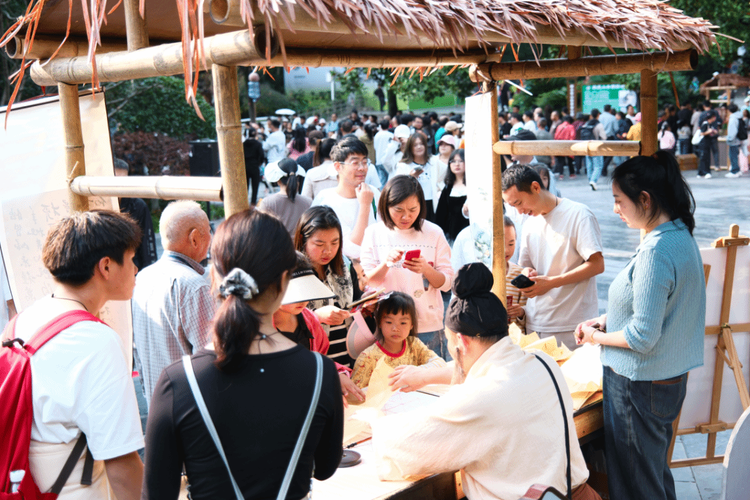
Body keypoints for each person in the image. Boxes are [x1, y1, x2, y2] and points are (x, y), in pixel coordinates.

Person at [142, 210, 344, 499]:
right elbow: (324, 467)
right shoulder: (321, 372)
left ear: (214, 277)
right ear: (286, 281)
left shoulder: (178, 382)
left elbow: (157, 492)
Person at [370, 264, 599, 500]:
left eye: (451, 347)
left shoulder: (480, 397)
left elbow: (401, 447)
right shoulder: (544, 363)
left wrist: (375, 420)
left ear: (462, 342)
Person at [576, 152, 705, 500]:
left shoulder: (656, 252)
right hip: (662, 380)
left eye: (619, 200)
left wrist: (595, 336)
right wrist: (605, 319)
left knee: (636, 483)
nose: (616, 209)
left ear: (644, 199)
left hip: (639, 384)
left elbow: (642, 337)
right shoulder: (678, 234)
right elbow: (656, 307)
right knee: (651, 475)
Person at [12, 210, 144, 498]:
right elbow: (121, 462)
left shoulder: (24, 320)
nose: (136, 269)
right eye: (132, 259)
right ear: (106, 267)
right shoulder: (95, 341)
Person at [502, 165, 604, 349]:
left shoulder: (578, 214)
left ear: (535, 187)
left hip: (572, 324)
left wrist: (552, 282)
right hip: (535, 322)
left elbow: (597, 265)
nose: (519, 211)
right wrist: (528, 274)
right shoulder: (529, 222)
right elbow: (525, 265)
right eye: (512, 206)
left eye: (518, 203)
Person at [132, 201, 216, 408]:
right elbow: (208, 360)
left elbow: (137, 351)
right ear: (195, 237)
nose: (211, 238)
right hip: (190, 406)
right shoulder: (194, 285)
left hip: (156, 401)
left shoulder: (142, 277)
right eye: (208, 231)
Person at [361, 176, 453, 359]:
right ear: (386, 206)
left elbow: (447, 283)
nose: (406, 216)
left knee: (430, 383)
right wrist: (386, 263)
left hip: (427, 324)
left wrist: (426, 269)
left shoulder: (434, 232)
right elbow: (367, 281)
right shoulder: (374, 233)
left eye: (413, 210)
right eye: (399, 210)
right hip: (389, 327)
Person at [273, 252, 365, 404]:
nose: (303, 299)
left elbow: (317, 361)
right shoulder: (255, 329)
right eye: (296, 291)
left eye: (306, 290)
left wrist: (336, 374)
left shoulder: (309, 320)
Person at [295, 206, 358, 367]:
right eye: (319, 244)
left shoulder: (345, 265)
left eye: (335, 242)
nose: (328, 251)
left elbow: (355, 300)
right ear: (303, 240)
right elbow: (283, 317)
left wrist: (365, 301)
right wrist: (316, 316)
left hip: (349, 356)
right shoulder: (292, 273)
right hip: (312, 361)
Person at [351, 292, 445, 388]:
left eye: (403, 323)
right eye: (389, 322)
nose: (395, 328)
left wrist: (416, 372)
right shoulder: (368, 357)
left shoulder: (414, 344)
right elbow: (355, 394)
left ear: (411, 325)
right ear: (379, 322)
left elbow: (440, 363)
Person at [312, 136, 380, 261]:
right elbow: (352, 250)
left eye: (365, 162)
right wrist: (365, 206)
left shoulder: (373, 192)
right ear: (338, 166)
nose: (362, 168)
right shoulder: (325, 200)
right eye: (355, 163)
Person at [114, 158, 158, 271]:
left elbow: (146, 243)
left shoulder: (138, 206)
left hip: (134, 269)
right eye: (115, 180)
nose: (119, 185)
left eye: (123, 181)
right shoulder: (96, 204)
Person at [257, 158, 312, 235]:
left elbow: (261, 232)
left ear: (278, 180)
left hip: (277, 246)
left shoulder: (267, 203)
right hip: (301, 246)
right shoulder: (308, 202)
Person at [435, 148, 468, 244]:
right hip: (451, 234)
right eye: (453, 161)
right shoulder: (447, 188)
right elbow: (441, 215)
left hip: (469, 232)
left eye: (461, 161)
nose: (457, 164)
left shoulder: (472, 187)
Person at [243, 125, 266, 205]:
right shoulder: (258, 144)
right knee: (255, 185)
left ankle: (245, 202)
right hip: (255, 166)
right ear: (255, 134)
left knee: (246, 185)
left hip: (245, 166)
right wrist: (259, 163)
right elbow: (262, 155)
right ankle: (253, 202)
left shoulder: (244, 144)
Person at [697, 110, 718, 179]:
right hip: (704, 143)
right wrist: (709, 131)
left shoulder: (708, 124)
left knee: (704, 158)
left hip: (706, 143)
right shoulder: (705, 124)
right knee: (705, 158)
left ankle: (701, 172)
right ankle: (705, 172)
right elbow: (702, 133)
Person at [726, 103, 743, 178]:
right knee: (735, 155)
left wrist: (729, 138)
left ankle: (734, 171)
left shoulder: (733, 118)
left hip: (733, 140)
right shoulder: (739, 116)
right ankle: (737, 170)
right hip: (738, 139)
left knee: (732, 155)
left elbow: (733, 131)